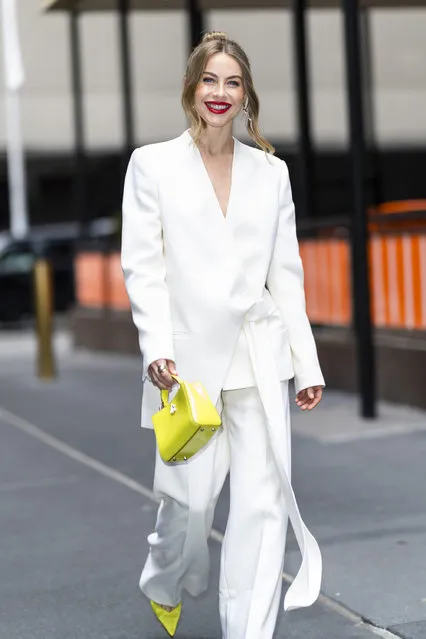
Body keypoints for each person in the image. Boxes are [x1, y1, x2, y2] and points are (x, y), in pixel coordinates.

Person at [121, 31, 324, 639]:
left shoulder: (272, 172)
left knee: (262, 508)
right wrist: (156, 348)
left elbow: (285, 274)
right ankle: (165, 578)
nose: (220, 92)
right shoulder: (151, 165)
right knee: (189, 507)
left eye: (232, 82)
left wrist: (306, 363)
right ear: (192, 87)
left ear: (245, 95)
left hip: (261, 359)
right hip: (186, 366)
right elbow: (144, 267)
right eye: (210, 79)